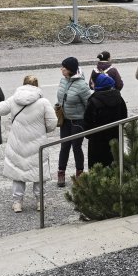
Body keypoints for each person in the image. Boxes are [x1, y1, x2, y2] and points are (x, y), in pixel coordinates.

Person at [0, 76, 57, 213]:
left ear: (23, 85)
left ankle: (17, 203)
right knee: (39, 171)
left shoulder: (14, 99)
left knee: (18, 172)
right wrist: (42, 130)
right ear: (37, 86)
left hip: (17, 142)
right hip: (37, 142)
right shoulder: (43, 102)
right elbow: (53, 123)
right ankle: (40, 202)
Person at [56, 56, 92, 186]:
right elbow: (61, 97)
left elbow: (89, 104)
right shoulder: (63, 80)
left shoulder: (82, 85)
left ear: (70, 70)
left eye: (64, 68)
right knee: (64, 146)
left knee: (76, 147)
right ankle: (61, 172)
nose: (61, 69)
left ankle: (80, 173)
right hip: (64, 120)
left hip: (78, 121)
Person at [83, 73, 128, 169]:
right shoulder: (119, 98)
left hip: (97, 140)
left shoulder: (93, 101)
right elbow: (124, 117)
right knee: (114, 165)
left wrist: (89, 135)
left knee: (98, 168)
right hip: (115, 138)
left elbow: (87, 122)